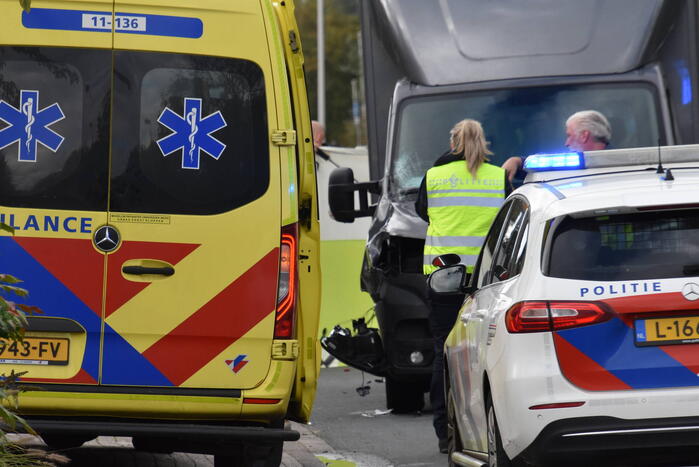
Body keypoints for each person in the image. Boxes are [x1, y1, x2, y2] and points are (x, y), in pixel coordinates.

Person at [415, 119, 510, 453]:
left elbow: (423, 212)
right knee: (485, 354)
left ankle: (446, 431)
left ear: (453, 142)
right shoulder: (499, 176)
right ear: (484, 141)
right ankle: (485, 428)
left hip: (444, 279)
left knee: (446, 351)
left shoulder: (435, 175)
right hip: (486, 280)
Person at [501, 109, 611, 181]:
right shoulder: (624, 163)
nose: (566, 143)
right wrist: (517, 162)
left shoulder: (570, 165)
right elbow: (543, 165)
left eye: (569, 136)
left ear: (584, 136)